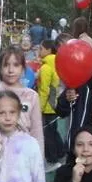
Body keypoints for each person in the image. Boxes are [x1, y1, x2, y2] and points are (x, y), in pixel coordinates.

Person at [37, 39, 65, 171]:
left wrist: (39, 108)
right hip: (55, 104)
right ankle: (61, 153)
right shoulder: (58, 63)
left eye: (41, 49)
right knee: (53, 131)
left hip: (47, 106)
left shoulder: (46, 67)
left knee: (47, 134)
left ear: (48, 50)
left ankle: (52, 160)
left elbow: (44, 90)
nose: (39, 51)